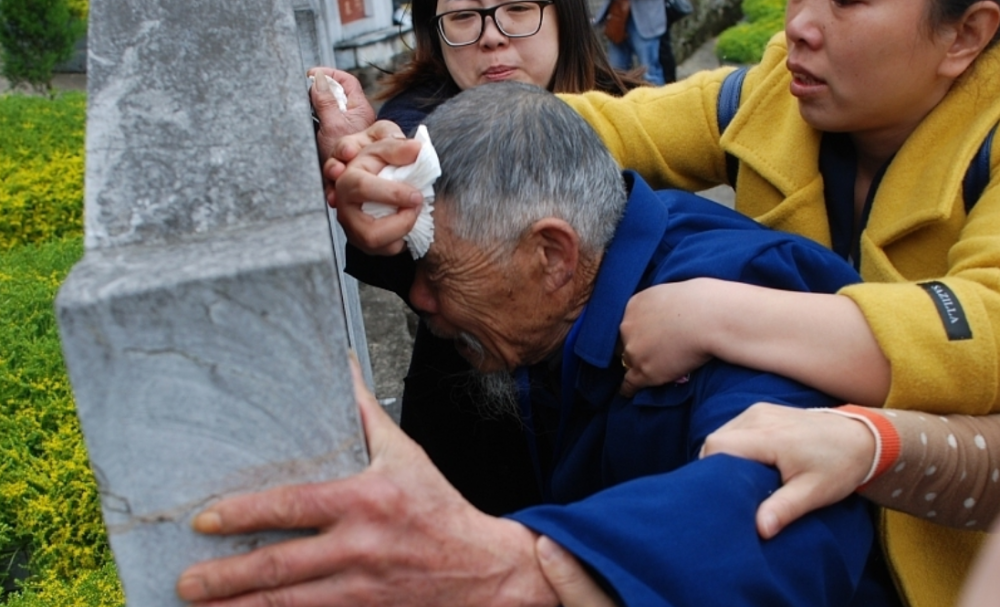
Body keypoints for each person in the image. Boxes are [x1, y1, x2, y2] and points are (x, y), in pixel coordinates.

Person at [322, 0, 1000, 603]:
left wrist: (721, 313)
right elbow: (597, 127)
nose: (799, 23)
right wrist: (403, 153)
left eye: (849, 1)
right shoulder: (774, 96)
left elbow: (985, 322)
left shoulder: (734, 299)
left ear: (966, 33)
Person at [176, 81, 900, 607]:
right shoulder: (573, 264)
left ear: (553, 256)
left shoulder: (740, 294)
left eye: (433, 271)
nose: (418, 297)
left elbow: (770, 509)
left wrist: (516, 569)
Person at [312, 0, 645, 518]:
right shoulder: (410, 138)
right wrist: (368, 178)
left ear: (566, 16)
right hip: (471, 442)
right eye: (463, 18)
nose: (491, 37)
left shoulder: (643, 122)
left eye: (516, 8)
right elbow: (393, 218)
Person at [597, 0, 667, 85]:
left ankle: (658, 98)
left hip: (646, 19)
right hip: (618, 16)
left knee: (650, 74)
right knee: (616, 75)